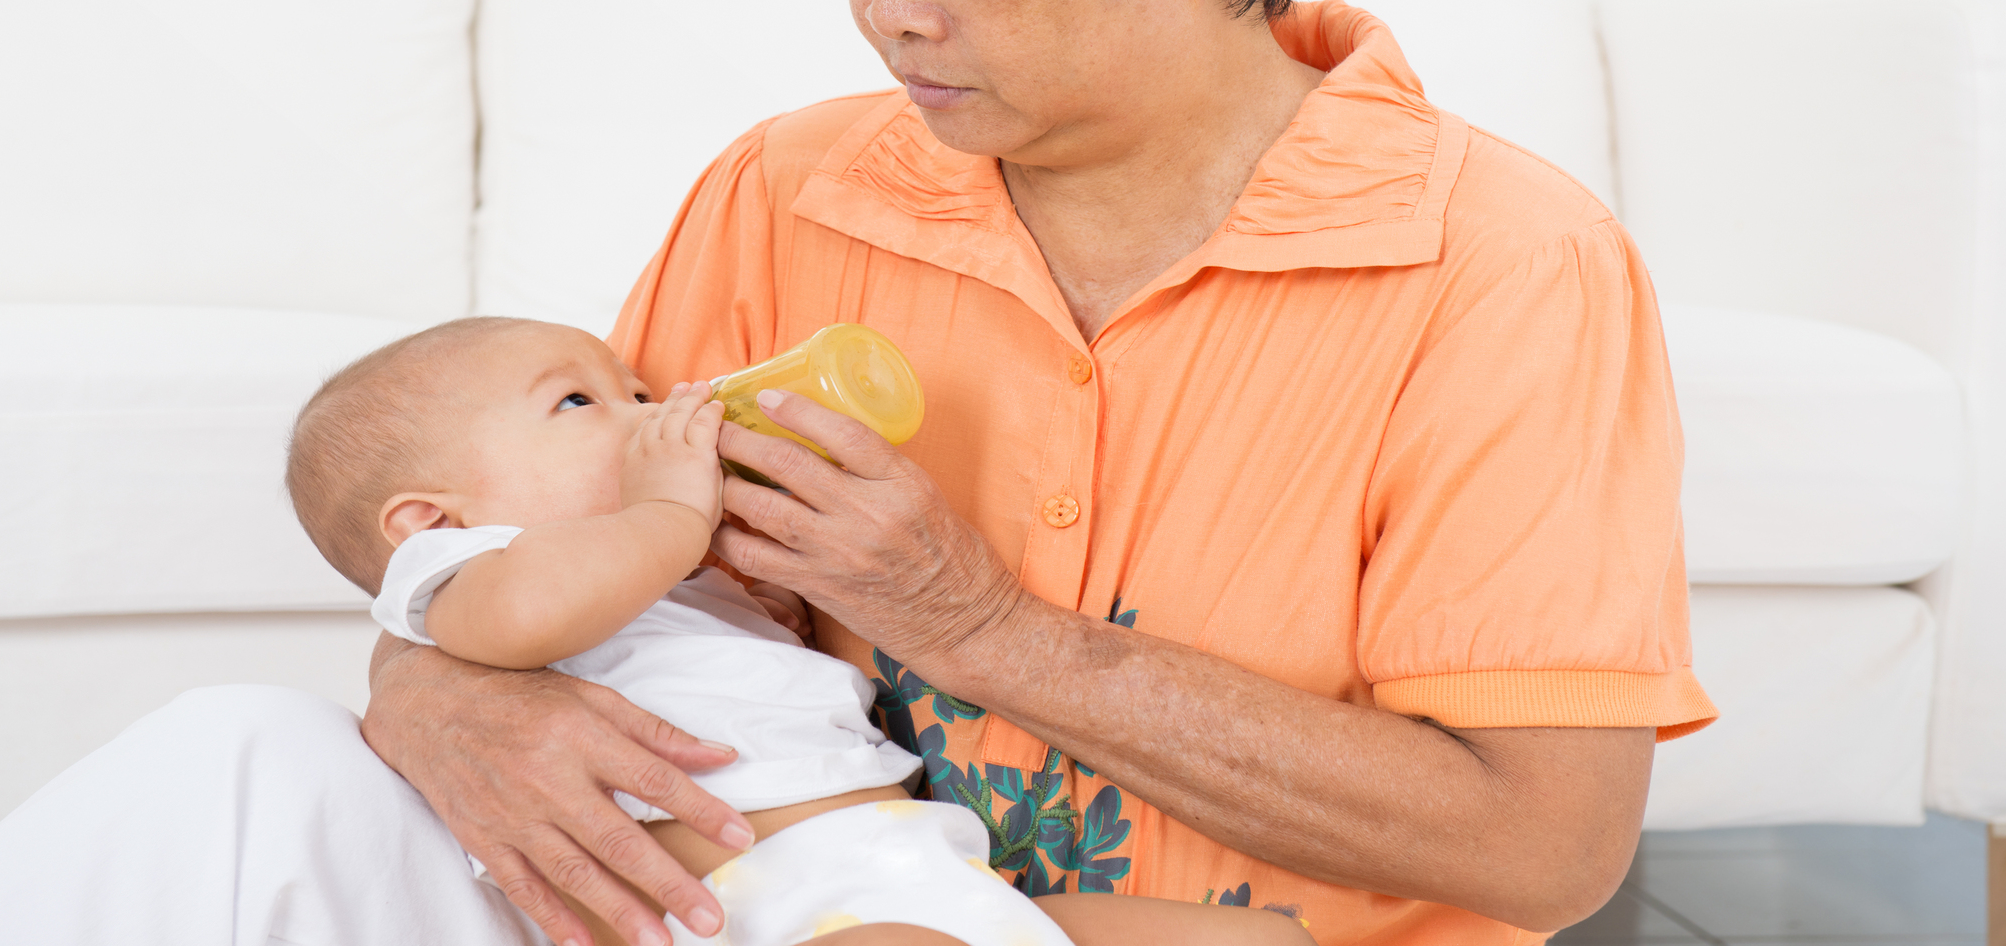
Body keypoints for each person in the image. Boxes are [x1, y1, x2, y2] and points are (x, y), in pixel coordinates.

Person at [0, 0, 1711, 946]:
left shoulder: (1500, 267)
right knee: (239, 763)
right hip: (737, 894)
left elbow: (1544, 850)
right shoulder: (793, 191)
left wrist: (977, 629)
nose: (890, 17)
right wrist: (438, 686)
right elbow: (576, 554)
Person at [283, 313, 1312, 946]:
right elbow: (519, 615)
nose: (648, 410)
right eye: (575, 402)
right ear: (430, 517)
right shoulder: (459, 573)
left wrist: (749, 595)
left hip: (926, 871)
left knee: (1261, 943)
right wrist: (670, 515)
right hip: (757, 906)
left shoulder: (667, 575)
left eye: (634, 388)